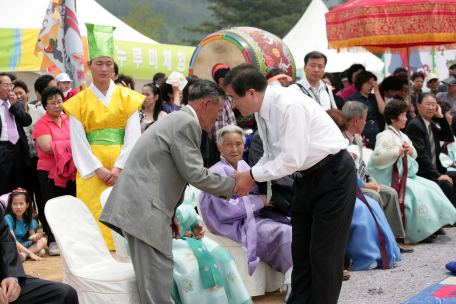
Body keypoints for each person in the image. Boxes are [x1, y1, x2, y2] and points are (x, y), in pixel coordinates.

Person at [223, 63, 357, 304]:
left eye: (234, 97)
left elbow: (290, 159)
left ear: (251, 93)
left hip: (332, 174)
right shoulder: (261, 109)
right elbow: (270, 155)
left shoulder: (288, 104)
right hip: (304, 178)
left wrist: (252, 175)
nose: (233, 104)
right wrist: (253, 173)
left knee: (324, 254)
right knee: (301, 251)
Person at [99, 80, 238, 304]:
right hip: (144, 210)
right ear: (206, 103)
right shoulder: (186, 123)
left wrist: (171, 211)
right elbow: (195, 174)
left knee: (158, 279)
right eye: (219, 110)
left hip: (149, 208)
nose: (218, 118)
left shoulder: (180, 119)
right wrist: (236, 186)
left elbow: (167, 170)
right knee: (155, 284)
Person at [62, 23, 144, 251]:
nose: (104, 68)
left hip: (123, 166)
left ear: (114, 67)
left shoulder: (129, 98)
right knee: (93, 213)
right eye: (99, 63)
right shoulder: (77, 102)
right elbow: (78, 141)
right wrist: (98, 169)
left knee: (125, 211)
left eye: (108, 63)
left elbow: (133, 137)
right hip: (92, 169)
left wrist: (119, 168)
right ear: (89, 66)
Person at [200, 125, 293, 275]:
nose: (234, 149)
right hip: (231, 223)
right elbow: (225, 210)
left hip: (251, 215)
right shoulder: (215, 173)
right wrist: (260, 200)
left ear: (244, 145)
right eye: (228, 145)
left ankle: (293, 281)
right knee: (284, 232)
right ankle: (293, 281)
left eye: (238, 144)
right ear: (219, 147)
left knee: (292, 223)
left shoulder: (245, 166)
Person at [368, 99, 456, 243]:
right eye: (403, 115)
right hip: (391, 177)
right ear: (393, 118)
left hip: (405, 175)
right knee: (418, 192)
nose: (406, 119)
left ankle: (434, 224)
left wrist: (409, 151)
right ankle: (423, 230)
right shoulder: (385, 135)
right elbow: (377, 157)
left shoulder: (403, 135)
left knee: (431, 186)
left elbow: (414, 154)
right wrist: (396, 150)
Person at [327, 109, 402, 270]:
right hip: (331, 192)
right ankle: (363, 256)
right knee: (362, 209)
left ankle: (385, 250)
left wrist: (364, 183)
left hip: (347, 187)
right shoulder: (325, 145)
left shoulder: (347, 144)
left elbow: (353, 169)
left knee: (371, 204)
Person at [342, 101, 409, 249]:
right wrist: (365, 185)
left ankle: (393, 239)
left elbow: (363, 166)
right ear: (356, 120)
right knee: (375, 196)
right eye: (365, 119)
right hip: (350, 185)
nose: (366, 123)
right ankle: (378, 243)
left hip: (362, 181)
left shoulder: (357, 138)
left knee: (390, 193)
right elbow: (345, 170)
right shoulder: (341, 139)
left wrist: (372, 181)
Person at [0, 201, 79, 304]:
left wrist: (12, 277)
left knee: (65, 293)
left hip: (4, 279)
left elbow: (7, 243)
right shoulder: (10, 218)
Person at [33, 86, 76, 256]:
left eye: (59, 101)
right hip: (49, 171)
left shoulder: (68, 119)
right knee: (52, 205)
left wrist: (64, 145)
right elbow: (47, 147)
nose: (57, 105)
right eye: (52, 103)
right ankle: (53, 240)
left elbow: (78, 140)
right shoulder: (42, 123)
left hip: (69, 169)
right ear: (44, 105)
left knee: (69, 203)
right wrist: (70, 145)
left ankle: (70, 239)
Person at [405, 93, 456, 208]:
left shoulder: (431, 124)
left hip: (435, 169)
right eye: (427, 104)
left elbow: (449, 137)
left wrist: (441, 117)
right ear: (418, 106)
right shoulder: (415, 125)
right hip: (423, 172)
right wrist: (437, 175)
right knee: (446, 184)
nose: (431, 107)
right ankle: (450, 216)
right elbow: (422, 155)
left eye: (434, 105)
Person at [13, 81, 43, 214]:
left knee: (40, 190)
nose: (19, 96)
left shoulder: (37, 109)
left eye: (21, 93)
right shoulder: (12, 112)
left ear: (27, 94)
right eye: (15, 93)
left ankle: (41, 218)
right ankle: (30, 219)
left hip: (38, 157)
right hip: (23, 159)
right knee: (26, 190)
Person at [0, 73, 32, 195]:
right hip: (2, 147)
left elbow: (27, 121)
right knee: (3, 183)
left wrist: (14, 106)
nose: (9, 88)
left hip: (18, 147)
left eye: (10, 85)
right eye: (5, 85)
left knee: (19, 184)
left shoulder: (16, 104)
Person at [248, 130, 293, 217]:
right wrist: (298, 186)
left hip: (294, 185)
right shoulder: (260, 137)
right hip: (279, 192)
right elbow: (265, 171)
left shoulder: (288, 133)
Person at [5, 189, 47, 261]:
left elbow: (32, 237)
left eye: (21, 203)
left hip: (22, 245)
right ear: (11, 205)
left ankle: (23, 255)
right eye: (15, 204)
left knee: (43, 240)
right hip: (12, 245)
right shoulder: (8, 218)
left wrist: (35, 238)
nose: (18, 207)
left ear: (27, 205)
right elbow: (13, 240)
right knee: (40, 252)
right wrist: (30, 253)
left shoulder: (28, 218)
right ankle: (29, 254)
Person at [347, 71, 386, 149]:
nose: (370, 86)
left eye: (372, 83)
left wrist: (377, 92)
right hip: (362, 133)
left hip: (376, 132)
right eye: (367, 83)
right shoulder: (352, 98)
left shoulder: (375, 97)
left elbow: (383, 111)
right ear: (361, 83)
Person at [208, 65, 237, 167]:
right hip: (222, 146)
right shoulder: (218, 98)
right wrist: (222, 147)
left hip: (227, 144)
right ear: (221, 80)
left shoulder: (225, 96)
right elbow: (218, 127)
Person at [181, 75, 209, 164]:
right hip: (187, 145)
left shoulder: (204, 104)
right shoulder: (182, 106)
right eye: (193, 86)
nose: (197, 88)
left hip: (202, 142)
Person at [437, 101, 456, 171]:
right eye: (449, 114)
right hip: (442, 167)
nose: (452, 117)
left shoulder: (452, 136)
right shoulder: (434, 131)